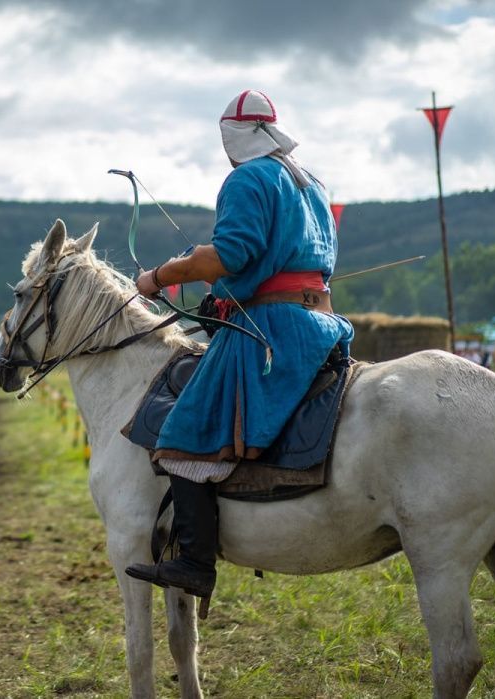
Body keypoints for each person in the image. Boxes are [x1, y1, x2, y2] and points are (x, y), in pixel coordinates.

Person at [124, 90, 354, 599]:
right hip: (321, 322)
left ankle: (195, 562)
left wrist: (160, 276)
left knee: (185, 429)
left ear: (233, 137)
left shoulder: (248, 176)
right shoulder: (309, 181)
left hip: (275, 331)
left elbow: (231, 254)